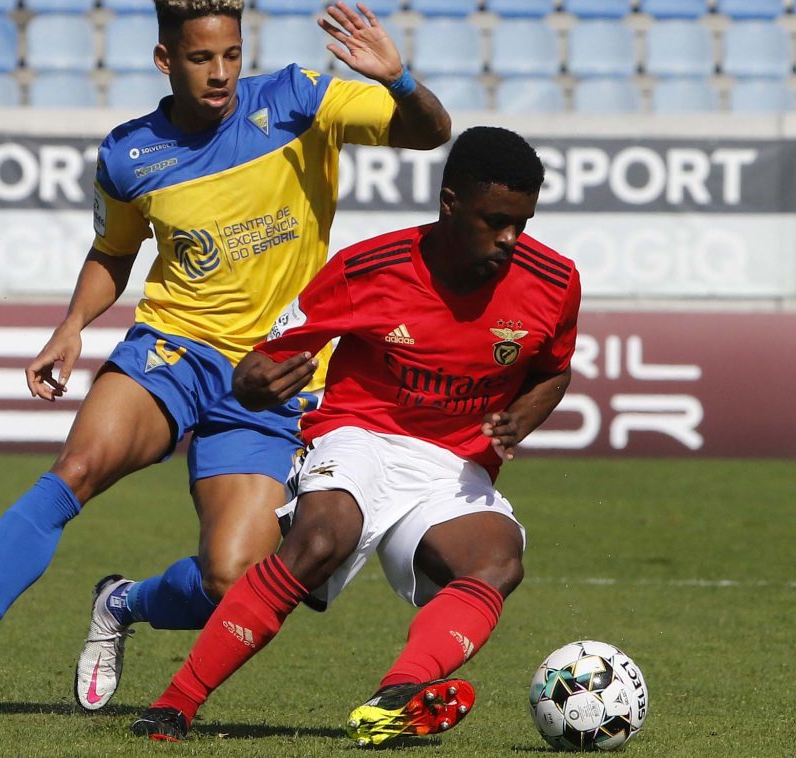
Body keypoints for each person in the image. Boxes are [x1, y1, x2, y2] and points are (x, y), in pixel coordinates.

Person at [0, 0, 451, 716]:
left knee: (232, 579)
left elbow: (432, 133)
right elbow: (113, 255)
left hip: (276, 375)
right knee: (78, 467)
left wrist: (401, 78)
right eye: (200, 58)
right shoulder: (130, 155)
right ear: (166, 59)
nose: (220, 72)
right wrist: (71, 326)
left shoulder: (298, 99)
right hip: (174, 347)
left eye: (231, 54)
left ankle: (123, 603)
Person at [128, 126, 581, 745]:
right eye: (495, 220)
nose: (510, 238)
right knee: (319, 540)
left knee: (498, 558)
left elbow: (554, 370)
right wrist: (257, 383)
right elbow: (260, 365)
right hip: (358, 432)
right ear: (450, 202)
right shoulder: (369, 268)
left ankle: (396, 695)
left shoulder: (554, 281)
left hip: (453, 466)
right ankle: (174, 703)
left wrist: (530, 410)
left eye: (521, 223)